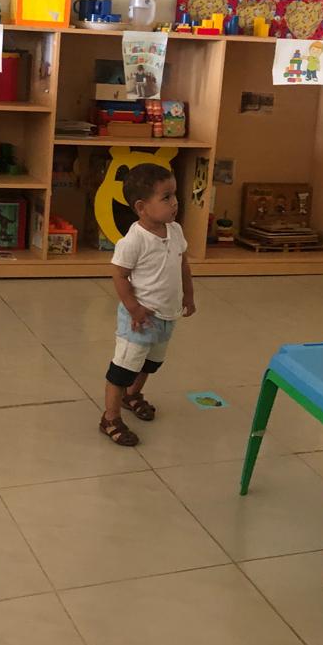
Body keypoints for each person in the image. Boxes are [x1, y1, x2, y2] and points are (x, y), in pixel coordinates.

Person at [99, 163, 196, 447]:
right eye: (166, 197)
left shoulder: (175, 231)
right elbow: (119, 275)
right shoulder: (134, 240)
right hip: (138, 320)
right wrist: (134, 308)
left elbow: (183, 265)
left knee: (150, 363)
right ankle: (110, 418)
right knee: (123, 369)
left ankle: (132, 395)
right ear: (141, 207)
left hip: (167, 315)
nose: (175, 202)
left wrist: (188, 296)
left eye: (174, 195)